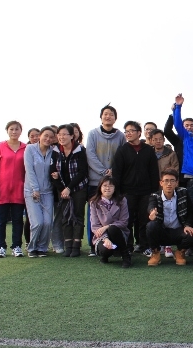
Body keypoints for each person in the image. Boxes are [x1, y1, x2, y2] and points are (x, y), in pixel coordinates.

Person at [113, 121, 160, 254]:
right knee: (127, 220)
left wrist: (153, 192)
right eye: (126, 131)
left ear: (139, 133)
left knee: (144, 219)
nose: (128, 133)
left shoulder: (148, 150)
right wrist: (118, 192)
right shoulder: (122, 150)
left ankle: (144, 245)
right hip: (127, 192)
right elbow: (117, 173)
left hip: (146, 192)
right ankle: (128, 246)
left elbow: (153, 172)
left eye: (131, 131)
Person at [85, 104, 125, 256]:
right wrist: (104, 172)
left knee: (116, 213)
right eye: (105, 114)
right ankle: (94, 245)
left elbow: (122, 155)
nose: (108, 116)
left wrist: (113, 171)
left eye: (111, 114)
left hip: (113, 182)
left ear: (115, 118)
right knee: (94, 215)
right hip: (95, 181)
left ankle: (117, 244)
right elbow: (90, 155)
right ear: (101, 117)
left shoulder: (120, 136)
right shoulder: (93, 134)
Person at [50, 124, 89, 257]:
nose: (61, 137)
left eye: (65, 134)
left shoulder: (80, 150)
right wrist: (62, 189)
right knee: (65, 217)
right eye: (59, 134)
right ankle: (68, 246)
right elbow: (52, 172)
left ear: (72, 136)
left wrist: (69, 188)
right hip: (62, 190)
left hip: (78, 188)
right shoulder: (55, 151)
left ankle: (76, 246)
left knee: (77, 216)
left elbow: (82, 172)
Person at [145, 169, 193, 267]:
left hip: (179, 231)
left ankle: (180, 252)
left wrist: (188, 225)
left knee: (191, 233)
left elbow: (191, 212)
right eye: (166, 181)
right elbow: (151, 205)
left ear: (177, 183)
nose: (169, 184)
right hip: (162, 232)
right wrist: (152, 212)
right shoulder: (155, 196)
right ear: (161, 183)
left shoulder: (183, 193)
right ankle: (155, 253)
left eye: (172, 181)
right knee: (151, 226)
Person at [0, 121, 26, 256]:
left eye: (17, 129)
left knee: (17, 220)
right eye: (11, 129)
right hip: (1, 191)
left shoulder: (26, 148)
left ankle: (16, 246)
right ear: (7, 131)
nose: (14, 132)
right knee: (0, 221)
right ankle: (0, 247)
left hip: (19, 190)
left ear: (21, 131)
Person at [23, 126, 55, 257]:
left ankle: (42, 248)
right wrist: (35, 189)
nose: (48, 139)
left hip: (48, 192)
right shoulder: (30, 149)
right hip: (31, 192)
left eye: (51, 137)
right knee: (37, 222)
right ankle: (32, 248)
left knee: (47, 222)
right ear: (40, 136)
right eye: (45, 135)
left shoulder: (54, 151)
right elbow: (29, 170)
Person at [90, 176, 131, 268]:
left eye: (111, 186)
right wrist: (105, 238)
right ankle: (105, 256)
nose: (107, 188)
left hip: (119, 233)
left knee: (113, 229)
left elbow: (124, 221)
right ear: (100, 187)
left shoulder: (122, 200)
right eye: (105, 185)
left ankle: (126, 256)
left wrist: (107, 226)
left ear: (115, 188)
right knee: (105, 249)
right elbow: (95, 226)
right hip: (101, 235)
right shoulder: (94, 202)